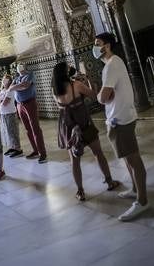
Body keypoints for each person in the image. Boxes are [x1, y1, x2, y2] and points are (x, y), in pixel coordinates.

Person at [94, 32, 149, 221]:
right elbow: (106, 95)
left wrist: (99, 95)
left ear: (107, 46)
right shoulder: (112, 63)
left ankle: (142, 201)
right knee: (126, 156)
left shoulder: (111, 65)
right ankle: (135, 189)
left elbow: (103, 97)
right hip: (118, 117)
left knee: (133, 158)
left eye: (98, 43)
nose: (95, 47)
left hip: (121, 119)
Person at [52, 60, 119, 201]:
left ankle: (80, 191)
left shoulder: (54, 90)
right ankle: (109, 182)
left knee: (74, 161)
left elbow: (63, 109)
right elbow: (94, 96)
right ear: (64, 73)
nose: (70, 68)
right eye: (68, 68)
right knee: (98, 153)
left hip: (69, 128)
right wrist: (88, 81)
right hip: (84, 124)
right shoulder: (76, 85)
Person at [10, 62, 47, 162]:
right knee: (27, 129)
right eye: (17, 65)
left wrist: (17, 87)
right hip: (19, 105)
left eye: (20, 64)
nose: (19, 66)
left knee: (35, 128)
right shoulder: (16, 78)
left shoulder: (30, 75)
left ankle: (42, 153)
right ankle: (35, 150)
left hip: (30, 103)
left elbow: (26, 86)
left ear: (25, 66)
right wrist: (19, 86)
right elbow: (10, 88)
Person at [0, 75, 22, 157]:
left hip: (10, 113)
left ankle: (18, 149)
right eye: (3, 79)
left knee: (13, 131)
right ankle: (12, 147)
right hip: (3, 113)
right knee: (7, 132)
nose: (4, 81)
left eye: (6, 80)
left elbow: (5, 102)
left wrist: (0, 101)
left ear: (9, 81)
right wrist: (0, 100)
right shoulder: (3, 90)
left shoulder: (11, 90)